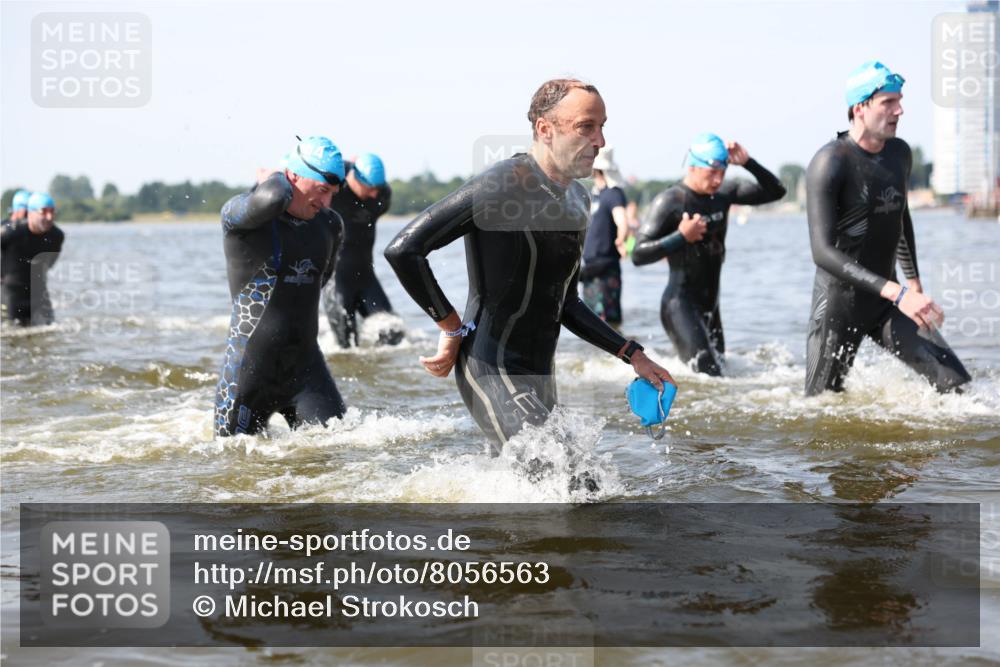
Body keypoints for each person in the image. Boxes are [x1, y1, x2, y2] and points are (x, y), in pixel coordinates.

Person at [385, 78, 675, 468]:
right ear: (545, 129)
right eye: (586, 127)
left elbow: (566, 302)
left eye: (603, 126)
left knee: (569, 491)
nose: (600, 141)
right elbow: (405, 249)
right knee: (566, 482)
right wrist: (450, 326)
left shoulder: (577, 199)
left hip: (540, 376)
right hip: (490, 367)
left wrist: (632, 353)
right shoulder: (503, 185)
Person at [804, 61, 970, 395]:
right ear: (860, 108)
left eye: (900, 100)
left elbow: (900, 217)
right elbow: (822, 252)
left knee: (956, 386)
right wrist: (898, 293)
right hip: (839, 305)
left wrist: (914, 285)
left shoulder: (899, 154)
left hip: (887, 300)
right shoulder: (830, 162)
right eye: (888, 102)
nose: (900, 110)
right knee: (820, 410)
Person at [214, 136, 347, 437]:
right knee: (231, 471)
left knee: (338, 452)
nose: (326, 203)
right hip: (248, 376)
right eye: (322, 190)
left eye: (333, 194)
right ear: (293, 176)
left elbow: (320, 281)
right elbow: (272, 198)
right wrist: (273, 176)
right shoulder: (242, 218)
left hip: (306, 372)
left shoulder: (329, 225)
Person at [632, 133, 786, 375]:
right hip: (679, 304)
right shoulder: (671, 201)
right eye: (711, 173)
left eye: (722, 172)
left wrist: (748, 162)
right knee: (709, 374)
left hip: (711, 306)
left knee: (717, 378)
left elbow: (776, 192)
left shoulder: (724, 194)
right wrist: (681, 237)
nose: (717, 179)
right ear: (693, 167)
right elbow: (638, 255)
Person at [321, 152, 403, 347]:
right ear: (354, 178)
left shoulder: (382, 195)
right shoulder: (334, 191)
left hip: (366, 277)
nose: (374, 194)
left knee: (394, 335)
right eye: (370, 188)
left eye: (378, 188)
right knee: (346, 347)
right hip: (337, 281)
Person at [580, 145, 628, 325]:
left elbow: (621, 220)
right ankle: (593, 355)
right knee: (589, 321)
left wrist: (620, 239)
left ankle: (614, 353)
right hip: (590, 266)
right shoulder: (594, 195)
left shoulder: (613, 194)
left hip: (606, 266)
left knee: (606, 320)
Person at [1, 192, 64, 326]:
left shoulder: (57, 236)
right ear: (30, 213)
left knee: (50, 334)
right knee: (13, 338)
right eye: (44, 212)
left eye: (52, 212)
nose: (49, 217)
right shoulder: (11, 232)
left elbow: (50, 263)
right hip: (11, 295)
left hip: (39, 295)